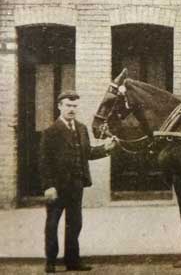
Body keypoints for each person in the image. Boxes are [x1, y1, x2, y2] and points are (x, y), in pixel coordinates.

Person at [39, 90, 117, 273]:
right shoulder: (50, 132)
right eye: (68, 105)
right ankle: (50, 262)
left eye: (74, 106)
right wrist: (48, 186)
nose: (72, 109)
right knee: (52, 223)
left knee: (75, 224)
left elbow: (87, 153)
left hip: (76, 185)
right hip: (57, 187)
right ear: (60, 106)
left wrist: (106, 148)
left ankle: (72, 261)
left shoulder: (81, 128)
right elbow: (43, 162)